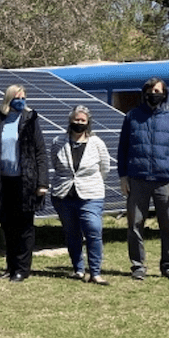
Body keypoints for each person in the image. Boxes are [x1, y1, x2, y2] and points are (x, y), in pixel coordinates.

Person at [117, 77, 169, 281]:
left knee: (168, 225)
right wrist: (123, 177)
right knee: (135, 224)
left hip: (165, 179)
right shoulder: (132, 117)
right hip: (138, 178)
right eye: (152, 90)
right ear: (145, 92)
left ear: (164, 94)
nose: (155, 94)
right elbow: (122, 149)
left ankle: (168, 265)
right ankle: (138, 265)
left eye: (159, 91)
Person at [0, 85, 48, 282]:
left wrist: (42, 182)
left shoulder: (31, 119)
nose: (21, 100)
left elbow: (40, 152)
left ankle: (22, 268)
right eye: (17, 97)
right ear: (8, 99)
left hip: (25, 181)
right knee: (7, 225)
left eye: (23, 97)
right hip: (3, 181)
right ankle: (10, 267)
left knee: (24, 226)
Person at [50, 105, 111, 285]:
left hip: (91, 194)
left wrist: (91, 182)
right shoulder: (58, 141)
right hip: (64, 194)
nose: (79, 123)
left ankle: (95, 272)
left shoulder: (97, 143)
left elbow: (105, 168)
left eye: (83, 120)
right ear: (70, 121)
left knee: (93, 230)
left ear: (88, 123)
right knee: (72, 233)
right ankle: (78, 269)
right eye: (76, 120)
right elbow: (55, 163)